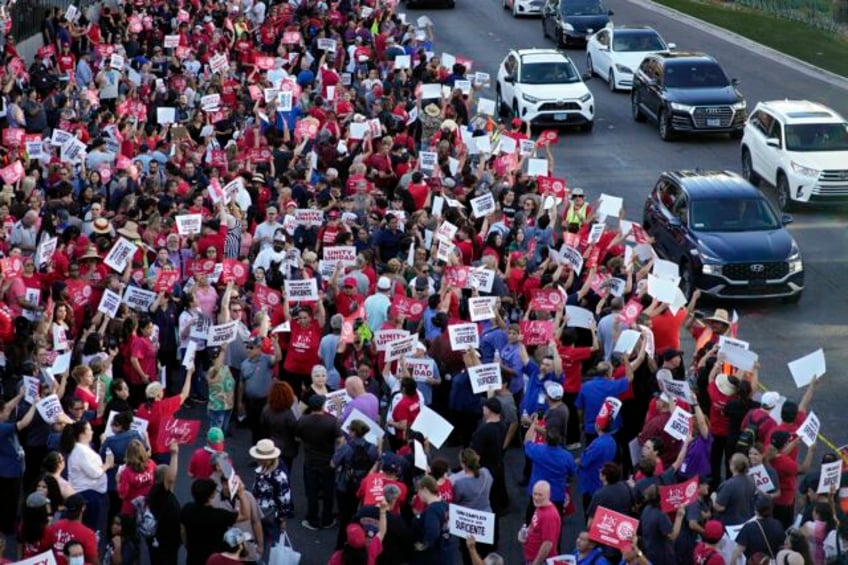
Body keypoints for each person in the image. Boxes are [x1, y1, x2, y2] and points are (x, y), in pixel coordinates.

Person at [295, 394, 342, 530]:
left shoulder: (303, 420)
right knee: (328, 491)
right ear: (323, 406)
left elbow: (297, 438)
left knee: (312, 491)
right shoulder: (331, 421)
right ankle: (327, 519)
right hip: (328, 461)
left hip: (310, 461)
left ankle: (312, 519)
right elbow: (339, 440)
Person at [180, 477, 251, 565]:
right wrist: (241, 493)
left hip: (193, 558)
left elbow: (183, 531)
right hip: (215, 560)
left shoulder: (187, 508)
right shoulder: (218, 515)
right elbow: (245, 515)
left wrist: (188, 547)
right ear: (211, 496)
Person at [249, 439, 293, 561]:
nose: (257, 460)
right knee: (260, 540)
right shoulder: (263, 468)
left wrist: (283, 519)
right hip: (259, 512)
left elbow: (285, 499)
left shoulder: (280, 475)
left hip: (271, 515)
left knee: (271, 542)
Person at [39, 493, 99, 565]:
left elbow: (44, 550)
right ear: (83, 508)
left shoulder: (54, 526)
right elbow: (93, 561)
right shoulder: (88, 534)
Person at [731, 495, 786, 563]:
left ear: (756, 510)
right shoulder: (778, 524)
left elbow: (737, 552)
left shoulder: (748, 528)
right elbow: (782, 546)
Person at [261, 381, 300, 473]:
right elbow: (296, 431)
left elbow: (263, 427)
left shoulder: (266, 410)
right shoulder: (289, 414)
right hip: (287, 450)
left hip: (271, 446)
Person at [412, 475, 453, 564]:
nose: (418, 495)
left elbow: (433, 531)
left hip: (433, 557)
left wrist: (424, 546)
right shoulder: (445, 505)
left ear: (425, 490)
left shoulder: (432, 510)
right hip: (445, 553)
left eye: (419, 491)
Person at [520, 480, 561, 565]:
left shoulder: (549, 516)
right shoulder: (540, 506)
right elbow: (534, 526)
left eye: (540, 495)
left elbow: (547, 544)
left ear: (548, 495)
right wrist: (524, 533)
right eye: (535, 494)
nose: (536, 497)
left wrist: (536, 563)